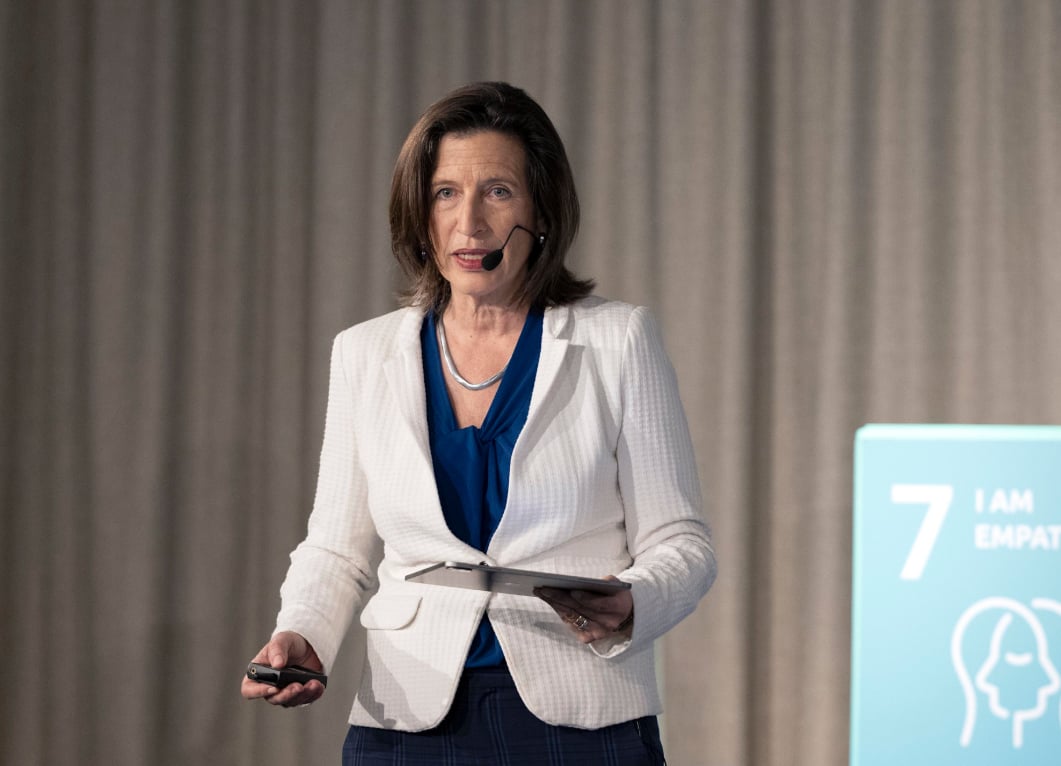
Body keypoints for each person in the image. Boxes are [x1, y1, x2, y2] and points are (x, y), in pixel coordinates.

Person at [241, 81, 717, 765]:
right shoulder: (364, 353)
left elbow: (682, 542)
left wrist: (635, 601)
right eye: (445, 193)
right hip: (406, 718)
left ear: (541, 211)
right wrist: (302, 633)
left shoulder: (618, 341)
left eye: (497, 192)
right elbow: (336, 548)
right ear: (419, 213)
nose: (470, 223)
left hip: (581, 719)